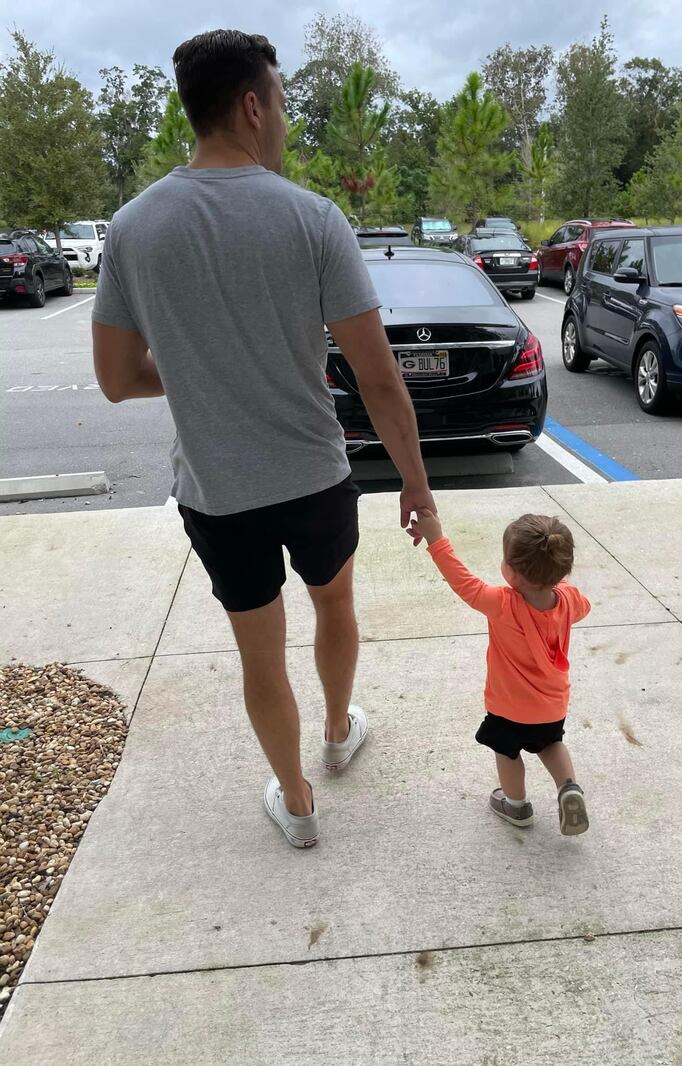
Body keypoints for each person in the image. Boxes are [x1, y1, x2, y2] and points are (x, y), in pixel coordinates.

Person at [91, 29, 435, 849]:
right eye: (280, 101)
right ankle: (340, 729)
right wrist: (416, 484)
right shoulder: (314, 218)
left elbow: (116, 378)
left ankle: (298, 802)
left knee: (260, 651)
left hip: (217, 492)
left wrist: (203, 371)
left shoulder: (134, 226)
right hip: (315, 478)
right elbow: (380, 381)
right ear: (251, 105)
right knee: (334, 606)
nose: (283, 119)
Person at [410, 510, 590, 835]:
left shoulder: (503, 604)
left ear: (513, 574)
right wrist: (556, 582)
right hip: (552, 706)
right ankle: (568, 787)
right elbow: (583, 605)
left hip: (508, 708)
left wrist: (436, 539)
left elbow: (463, 583)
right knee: (551, 744)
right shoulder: (569, 600)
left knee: (507, 753)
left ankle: (516, 806)